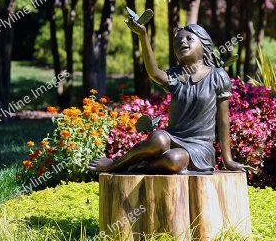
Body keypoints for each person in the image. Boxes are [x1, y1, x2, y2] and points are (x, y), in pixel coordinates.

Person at [87, 17, 253, 174]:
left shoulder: (217, 76)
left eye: (189, 38)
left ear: (204, 45)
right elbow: (154, 73)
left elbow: (223, 120)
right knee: (158, 138)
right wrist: (143, 35)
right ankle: (115, 163)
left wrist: (228, 160)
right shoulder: (175, 76)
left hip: (200, 147)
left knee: (173, 159)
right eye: (178, 41)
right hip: (172, 137)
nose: (182, 41)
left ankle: (139, 166)